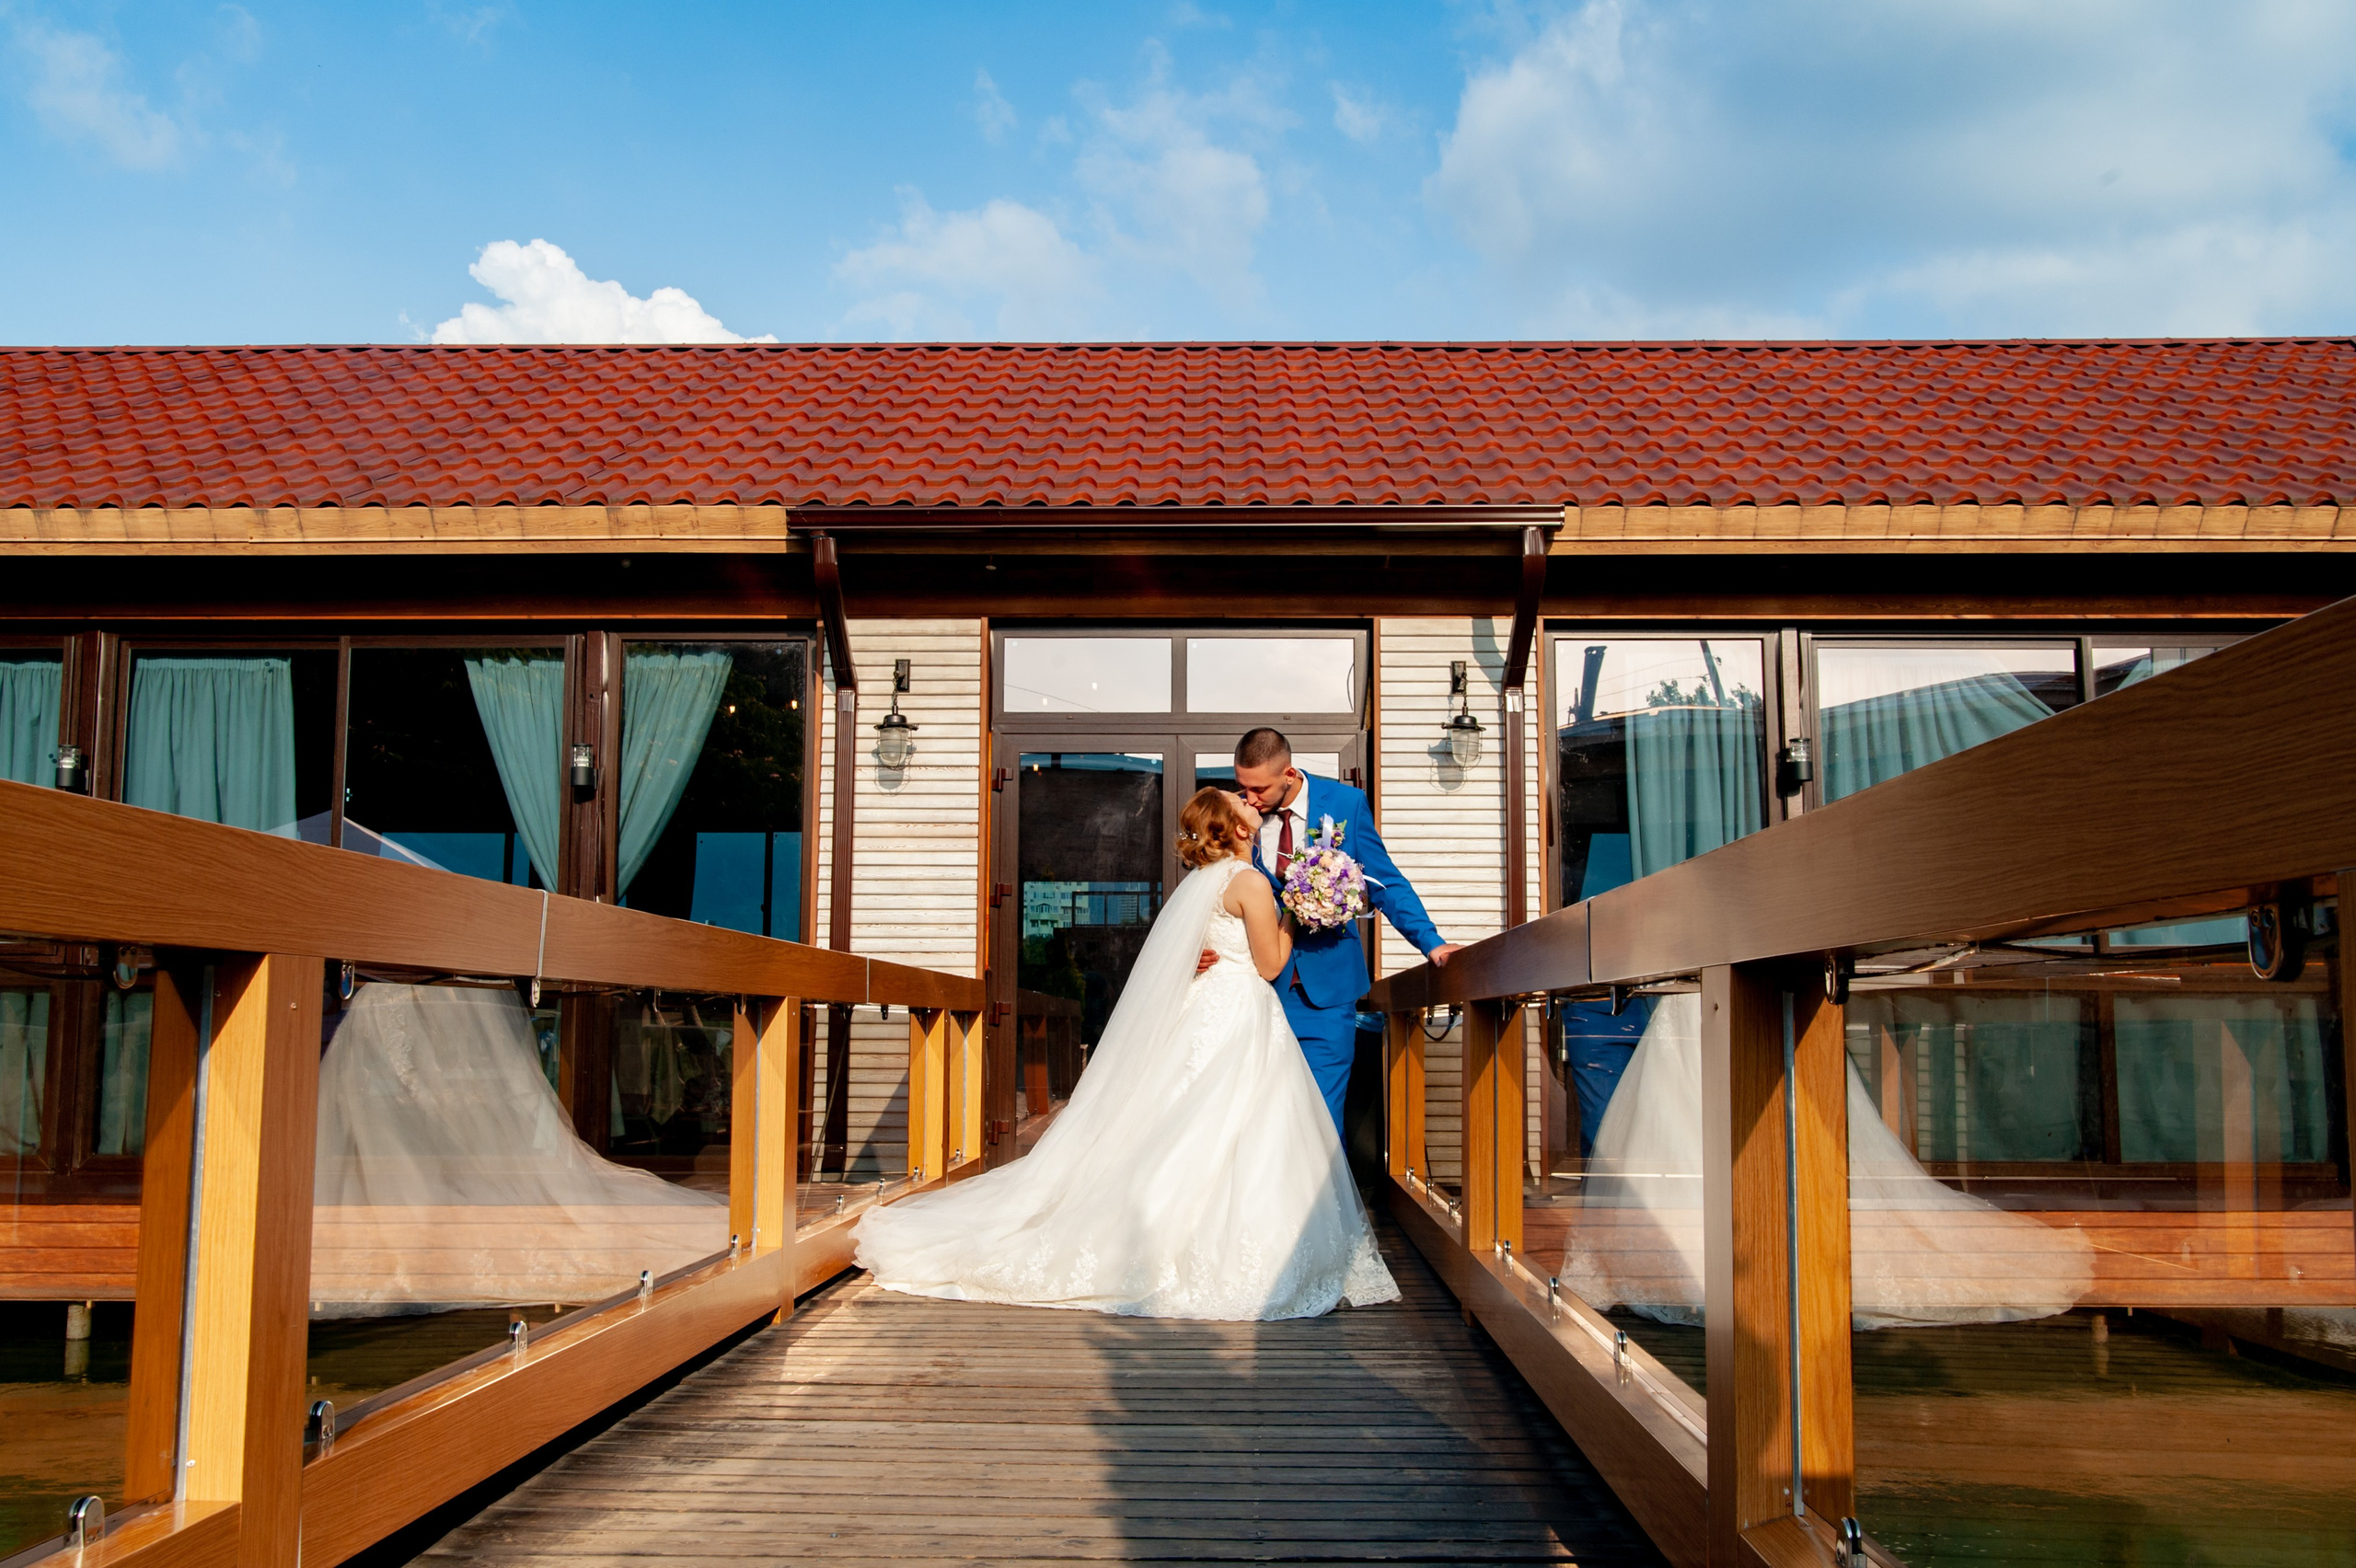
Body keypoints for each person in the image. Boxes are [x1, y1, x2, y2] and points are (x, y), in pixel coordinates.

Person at [853, 788, 1400, 1320]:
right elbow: (1271, 966)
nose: (1248, 802)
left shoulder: (1204, 881)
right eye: (1239, 803)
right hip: (1238, 1013)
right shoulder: (1252, 883)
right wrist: (1296, 913)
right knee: (1229, 1123)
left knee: (1191, 1119)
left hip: (1206, 1009)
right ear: (1234, 829)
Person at [1203, 727, 1460, 1133]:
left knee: (1320, 1122)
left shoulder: (1346, 804)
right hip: (1255, 996)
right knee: (1256, 1122)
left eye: (1258, 788)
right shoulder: (1239, 819)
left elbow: (1385, 884)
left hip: (1327, 996)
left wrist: (1432, 942)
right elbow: (1211, 891)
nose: (1248, 798)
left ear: (1288, 774)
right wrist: (1203, 948)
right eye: (1241, 786)